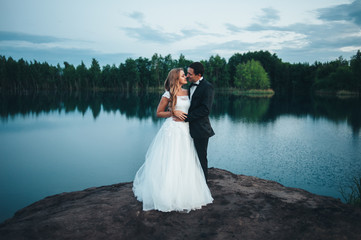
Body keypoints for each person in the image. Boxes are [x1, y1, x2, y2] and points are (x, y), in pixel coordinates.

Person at [132, 68, 213, 212]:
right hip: (173, 130)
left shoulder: (189, 92)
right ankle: (167, 194)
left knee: (186, 159)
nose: (186, 77)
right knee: (171, 160)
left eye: (186, 75)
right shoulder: (168, 94)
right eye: (183, 75)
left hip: (187, 130)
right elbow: (158, 113)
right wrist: (172, 112)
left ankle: (185, 191)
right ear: (176, 78)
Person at [174, 62, 215, 181]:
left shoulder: (207, 87)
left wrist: (186, 118)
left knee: (201, 157)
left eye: (190, 74)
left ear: (199, 74)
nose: (187, 76)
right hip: (185, 129)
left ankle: (203, 185)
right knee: (188, 157)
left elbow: (205, 109)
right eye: (186, 73)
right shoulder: (189, 87)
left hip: (200, 129)